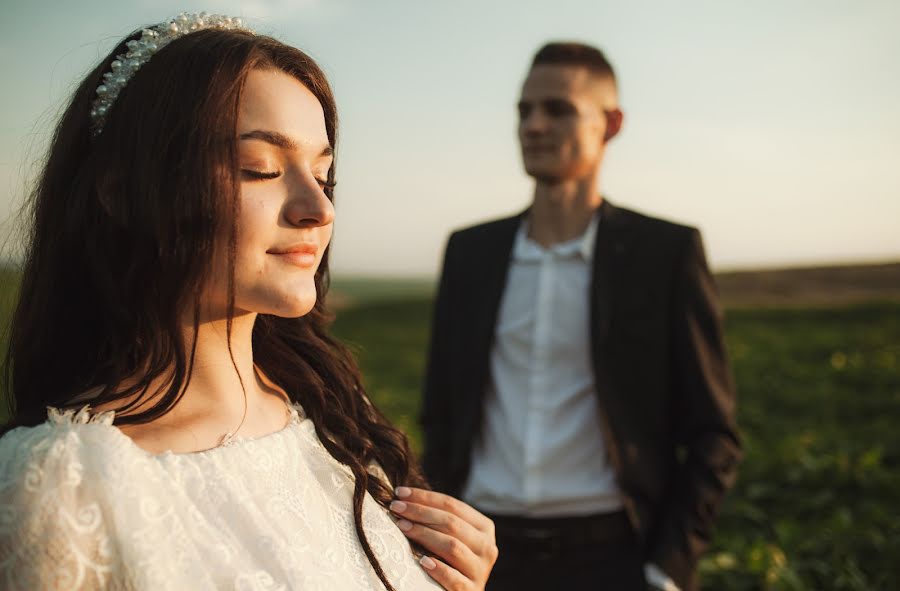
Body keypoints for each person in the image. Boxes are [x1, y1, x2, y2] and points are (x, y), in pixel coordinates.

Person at [0, 13, 496, 591]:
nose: (319, 208)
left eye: (324, 174)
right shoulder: (61, 485)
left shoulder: (334, 415)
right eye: (258, 170)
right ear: (122, 193)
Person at [421, 42, 741, 591]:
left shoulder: (665, 254)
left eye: (558, 109)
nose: (534, 125)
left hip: (614, 558)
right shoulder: (470, 253)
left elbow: (715, 434)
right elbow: (441, 410)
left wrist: (668, 569)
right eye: (524, 111)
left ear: (610, 124)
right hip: (482, 553)